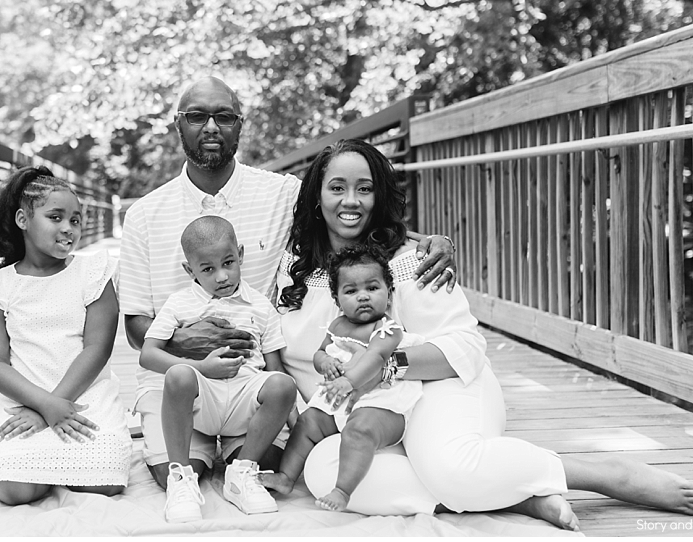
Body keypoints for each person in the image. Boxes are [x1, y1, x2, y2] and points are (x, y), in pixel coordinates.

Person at [273, 138, 693, 530]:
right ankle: (519, 494)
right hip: (356, 418)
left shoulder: (413, 261)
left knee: (450, 467)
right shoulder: (289, 275)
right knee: (322, 476)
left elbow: (464, 347)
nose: (351, 200)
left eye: (364, 188)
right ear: (316, 198)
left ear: (378, 197)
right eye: (337, 187)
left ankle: (604, 475)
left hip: (438, 389)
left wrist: (382, 366)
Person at [118, 76, 457, 489]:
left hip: (254, 379)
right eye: (196, 116)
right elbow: (136, 325)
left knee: (260, 466)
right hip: (179, 378)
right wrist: (183, 342)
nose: (210, 127)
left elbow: (344, 207)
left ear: (240, 125)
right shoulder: (144, 215)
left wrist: (429, 241)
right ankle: (195, 449)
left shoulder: (283, 193)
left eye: (223, 117)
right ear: (178, 124)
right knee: (181, 473)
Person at [0, 166, 131, 506]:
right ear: (22, 220)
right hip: (25, 401)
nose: (67, 228)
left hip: (85, 395)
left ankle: (58, 467)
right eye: (55, 217)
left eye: (75, 220)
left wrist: (58, 405)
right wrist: (43, 406)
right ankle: (42, 466)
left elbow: (98, 348)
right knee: (11, 489)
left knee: (108, 479)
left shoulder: (94, 272)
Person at [139, 216, 297, 522]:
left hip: (244, 402)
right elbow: (148, 355)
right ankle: (181, 478)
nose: (222, 276)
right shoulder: (180, 303)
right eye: (208, 269)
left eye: (228, 263)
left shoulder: (260, 305)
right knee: (179, 374)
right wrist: (200, 366)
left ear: (240, 254)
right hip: (202, 402)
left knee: (282, 384)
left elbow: (274, 366)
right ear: (190, 270)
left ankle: (242, 473)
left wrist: (291, 413)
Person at [260, 245, 423, 512]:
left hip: (381, 403)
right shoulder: (337, 325)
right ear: (337, 299)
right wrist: (326, 362)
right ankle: (287, 477)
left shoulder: (387, 327)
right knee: (307, 422)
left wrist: (349, 381)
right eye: (351, 291)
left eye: (372, 288)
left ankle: (342, 490)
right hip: (340, 401)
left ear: (389, 294)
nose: (363, 297)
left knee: (358, 430)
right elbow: (319, 353)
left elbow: (376, 358)